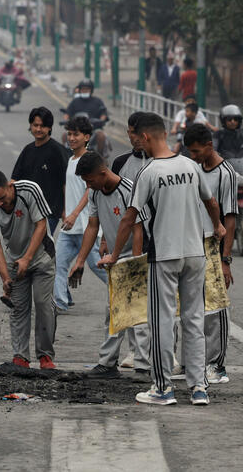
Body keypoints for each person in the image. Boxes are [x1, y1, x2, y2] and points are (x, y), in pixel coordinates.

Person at [99, 113, 225, 407]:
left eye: (136, 137)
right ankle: (198, 388)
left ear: (145, 137)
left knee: (162, 322)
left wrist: (114, 254)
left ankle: (163, 387)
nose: (135, 142)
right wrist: (218, 226)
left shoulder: (149, 171)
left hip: (164, 257)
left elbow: (130, 217)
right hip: (195, 254)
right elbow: (211, 202)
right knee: (194, 320)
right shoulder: (191, 166)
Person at [68, 151, 146, 378]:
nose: (88, 185)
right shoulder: (95, 192)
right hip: (115, 258)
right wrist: (80, 261)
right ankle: (108, 364)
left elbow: (138, 229)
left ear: (103, 173)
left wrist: (134, 265)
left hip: (136, 258)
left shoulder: (129, 190)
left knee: (139, 316)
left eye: (90, 180)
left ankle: (144, 366)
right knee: (113, 313)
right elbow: (93, 226)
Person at [0, 169, 57, 369]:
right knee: (18, 308)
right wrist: (5, 277)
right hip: (15, 262)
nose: (0, 204)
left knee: (43, 303)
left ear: (9, 185)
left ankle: (45, 356)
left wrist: (27, 258)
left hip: (41, 256)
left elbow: (41, 225)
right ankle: (21, 356)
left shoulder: (29, 190)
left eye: (2, 198)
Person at [184, 124, 238, 386]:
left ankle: (216, 365)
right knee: (189, 304)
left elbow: (230, 218)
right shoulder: (192, 168)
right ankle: (191, 362)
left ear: (209, 146)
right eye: (190, 152)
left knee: (215, 306)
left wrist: (225, 260)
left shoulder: (225, 173)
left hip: (214, 245)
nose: (193, 156)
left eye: (196, 151)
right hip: (192, 242)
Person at [109, 111, 152, 372]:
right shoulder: (120, 163)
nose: (133, 137)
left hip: (158, 239)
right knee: (131, 299)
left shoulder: (162, 162)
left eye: (137, 133)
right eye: (130, 132)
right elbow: (112, 202)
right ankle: (135, 350)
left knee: (163, 301)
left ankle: (166, 354)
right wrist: (107, 239)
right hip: (131, 240)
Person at [54, 116, 103, 312]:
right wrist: (66, 212)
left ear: (87, 137)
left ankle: (122, 292)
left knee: (97, 266)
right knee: (58, 264)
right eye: (69, 134)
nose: (71, 138)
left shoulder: (89, 160)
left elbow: (89, 190)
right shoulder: (71, 159)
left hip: (85, 226)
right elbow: (69, 188)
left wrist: (74, 214)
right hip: (69, 227)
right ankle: (59, 303)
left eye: (76, 134)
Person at [11, 107, 69, 234]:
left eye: (42, 126)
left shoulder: (58, 151)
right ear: (30, 126)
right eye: (35, 125)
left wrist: (66, 210)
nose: (38, 129)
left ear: (49, 128)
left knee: (40, 243)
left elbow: (66, 183)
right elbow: (14, 180)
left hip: (49, 212)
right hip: (27, 211)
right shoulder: (27, 150)